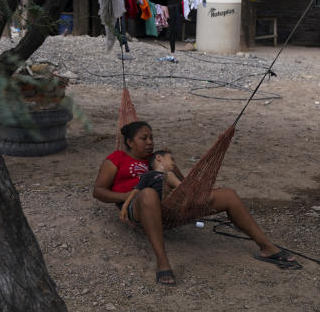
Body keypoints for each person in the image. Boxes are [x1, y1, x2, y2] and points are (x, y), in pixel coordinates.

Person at [93, 121, 298, 285]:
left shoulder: (159, 158)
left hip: (171, 204)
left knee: (228, 194)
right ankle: (163, 262)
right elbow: (99, 191)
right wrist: (128, 196)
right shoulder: (117, 159)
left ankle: (267, 248)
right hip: (137, 205)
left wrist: (175, 169)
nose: (149, 142)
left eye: (151, 137)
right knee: (148, 194)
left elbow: (183, 185)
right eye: (143, 138)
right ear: (129, 142)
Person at [119, 149, 181, 222]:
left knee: (171, 177)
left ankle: (185, 193)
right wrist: (124, 207)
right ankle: (185, 190)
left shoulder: (171, 176)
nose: (174, 163)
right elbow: (136, 191)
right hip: (158, 205)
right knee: (169, 175)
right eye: (172, 159)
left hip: (172, 203)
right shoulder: (149, 174)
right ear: (158, 158)